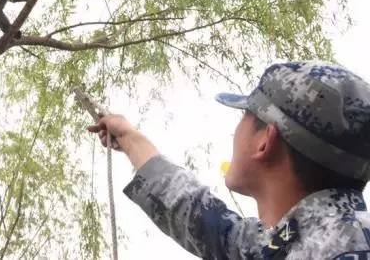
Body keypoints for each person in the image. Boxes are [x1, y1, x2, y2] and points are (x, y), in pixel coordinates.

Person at [88, 61, 370, 259]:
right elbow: (205, 221)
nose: (236, 131)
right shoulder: (291, 241)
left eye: (243, 116)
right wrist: (128, 137)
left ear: (264, 141)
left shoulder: (341, 250)